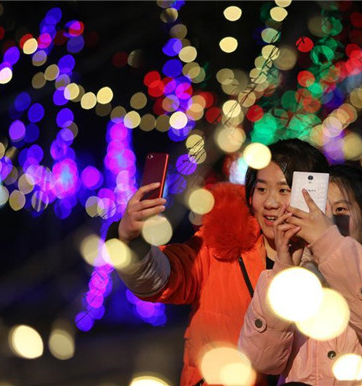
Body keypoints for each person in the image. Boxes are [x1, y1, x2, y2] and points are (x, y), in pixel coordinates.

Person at [106, 138, 329, 385]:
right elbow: (161, 280)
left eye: (284, 190)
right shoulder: (221, 243)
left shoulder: (331, 260)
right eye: (262, 189)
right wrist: (130, 239)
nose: (270, 203)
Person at [238, 164, 362, 384]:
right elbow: (261, 360)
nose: (328, 220)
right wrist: (284, 269)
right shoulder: (299, 275)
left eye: (341, 210)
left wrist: (328, 242)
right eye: (321, 210)